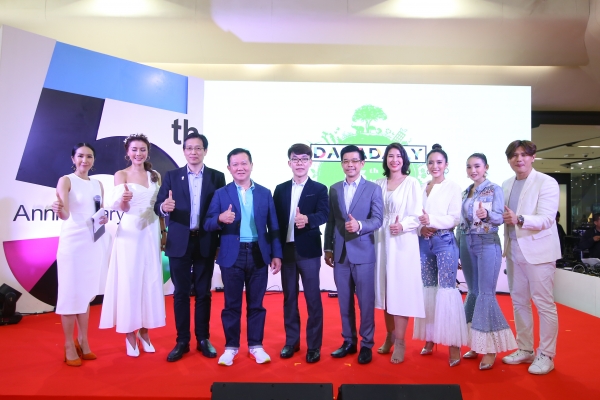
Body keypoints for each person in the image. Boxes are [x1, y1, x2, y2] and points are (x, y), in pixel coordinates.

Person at [204, 148, 282, 366]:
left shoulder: (265, 193)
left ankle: (256, 345)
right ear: (229, 168)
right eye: (235, 164)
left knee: (256, 304)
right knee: (231, 305)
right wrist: (220, 218)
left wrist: (276, 254)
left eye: (244, 163)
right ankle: (231, 347)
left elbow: (274, 226)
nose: (240, 168)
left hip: (258, 253)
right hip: (232, 255)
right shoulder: (221, 194)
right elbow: (208, 223)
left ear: (251, 165)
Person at [154, 132, 226, 362]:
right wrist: (164, 207)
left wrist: (219, 243)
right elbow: (158, 206)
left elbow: (221, 209)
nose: (193, 152)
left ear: (205, 151)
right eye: (189, 148)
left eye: (198, 148)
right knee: (181, 294)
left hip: (205, 240)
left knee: (204, 293)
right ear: (184, 151)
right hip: (179, 242)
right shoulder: (172, 176)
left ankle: (203, 338)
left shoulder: (217, 177)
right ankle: (182, 340)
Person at [100, 133, 166, 357]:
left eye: (142, 149)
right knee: (129, 280)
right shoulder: (121, 175)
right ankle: (129, 333)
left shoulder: (155, 175)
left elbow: (158, 207)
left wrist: (163, 231)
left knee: (150, 279)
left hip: (151, 230)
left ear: (148, 152)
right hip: (129, 232)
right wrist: (123, 201)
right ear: (127, 152)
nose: (139, 154)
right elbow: (121, 208)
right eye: (134, 149)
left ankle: (145, 331)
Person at [501, 139, 560, 375]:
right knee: (519, 302)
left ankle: (546, 354)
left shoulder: (546, 182)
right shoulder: (506, 184)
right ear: (509, 160)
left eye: (524, 154)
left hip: (539, 251)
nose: (519, 159)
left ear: (533, 157)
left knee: (544, 304)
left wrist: (520, 219)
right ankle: (525, 349)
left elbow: (547, 218)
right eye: (514, 155)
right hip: (513, 249)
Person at [324, 145, 383, 365]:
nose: (350, 165)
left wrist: (360, 225)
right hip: (340, 254)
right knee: (344, 302)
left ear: (362, 163)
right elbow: (331, 221)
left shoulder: (373, 189)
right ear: (342, 164)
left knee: (365, 302)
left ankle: (366, 344)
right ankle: (349, 341)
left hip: (364, 253)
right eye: (346, 161)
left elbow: (378, 219)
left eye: (354, 161)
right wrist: (328, 248)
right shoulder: (334, 189)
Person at [458, 153, 517, 370]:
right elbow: (460, 222)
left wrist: (486, 215)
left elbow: (500, 217)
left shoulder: (495, 189)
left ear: (486, 167)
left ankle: (490, 349)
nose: (473, 170)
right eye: (469, 166)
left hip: (487, 242)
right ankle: (476, 343)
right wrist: (457, 246)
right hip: (466, 242)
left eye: (477, 166)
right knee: (473, 292)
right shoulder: (465, 191)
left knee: (485, 294)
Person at [53, 143, 109, 366]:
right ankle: (69, 344)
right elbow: (65, 214)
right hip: (72, 244)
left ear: (93, 160)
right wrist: (59, 210)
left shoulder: (98, 184)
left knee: (85, 294)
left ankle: (83, 341)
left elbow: (99, 212)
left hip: (92, 243)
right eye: (80, 156)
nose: (85, 160)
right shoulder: (66, 180)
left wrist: (104, 218)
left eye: (89, 156)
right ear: (73, 158)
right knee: (70, 294)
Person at [273, 144, 329, 363]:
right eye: (295, 159)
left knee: (313, 299)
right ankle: (292, 341)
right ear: (289, 163)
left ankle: (314, 346)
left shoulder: (319, 188)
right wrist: (275, 252)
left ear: (310, 162)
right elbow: (274, 222)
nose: (299, 163)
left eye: (304, 159)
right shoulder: (280, 189)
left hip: (309, 251)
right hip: (286, 251)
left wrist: (308, 219)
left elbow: (324, 214)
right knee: (289, 298)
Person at [413, 143, 467, 367]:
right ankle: (430, 338)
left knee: (447, 290)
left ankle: (454, 345)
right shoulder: (421, 187)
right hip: (423, 243)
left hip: (444, 241)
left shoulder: (453, 187)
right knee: (428, 290)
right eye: (431, 163)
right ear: (427, 165)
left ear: (446, 165)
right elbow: (414, 215)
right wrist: (420, 228)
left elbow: (455, 218)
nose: (435, 166)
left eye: (439, 162)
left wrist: (432, 221)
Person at [374, 143, 425, 364]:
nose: (394, 160)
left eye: (398, 156)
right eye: (390, 156)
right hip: (380, 241)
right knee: (385, 291)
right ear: (385, 159)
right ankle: (390, 335)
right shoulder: (378, 183)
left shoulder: (412, 183)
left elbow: (417, 215)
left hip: (402, 241)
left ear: (404, 159)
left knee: (400, 290)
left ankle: (401, 341)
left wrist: (402, 225)